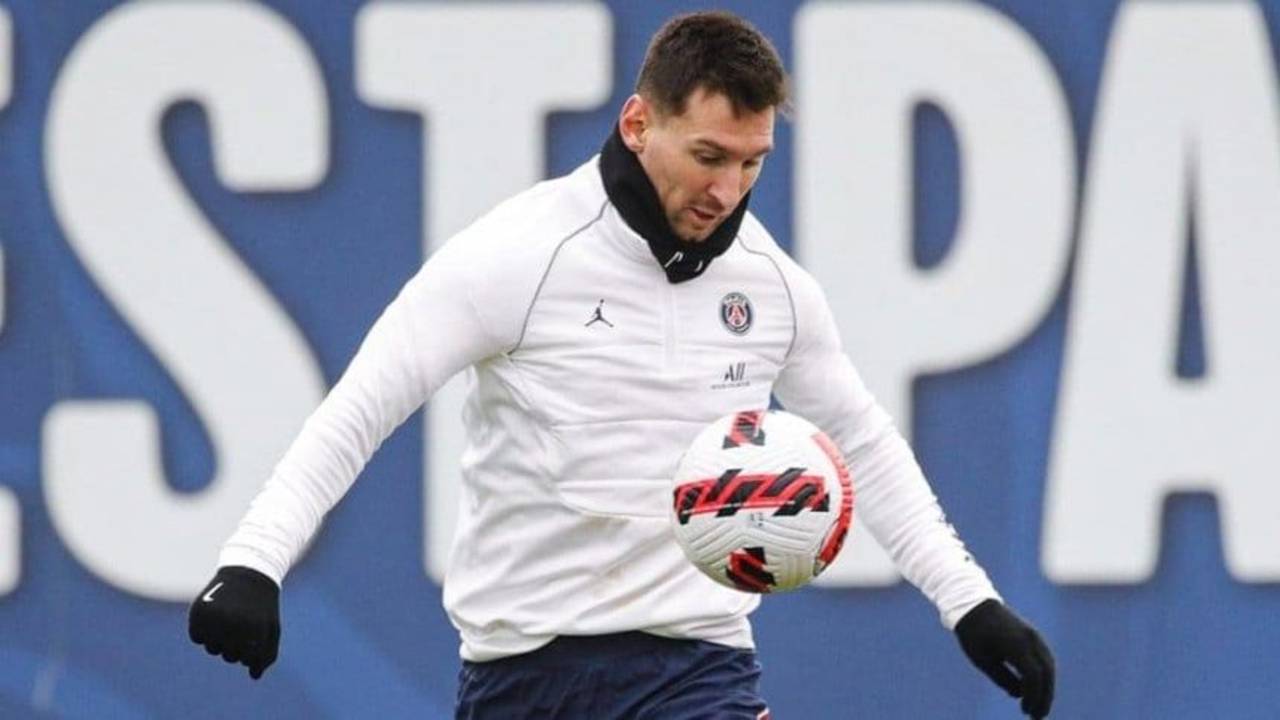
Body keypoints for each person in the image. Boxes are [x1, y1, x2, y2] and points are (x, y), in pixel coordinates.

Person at [188, 11, 1055, 719]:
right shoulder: (516, 258)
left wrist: (969, 603)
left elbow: (862, 441)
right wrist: (254, 561)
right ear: (637, 125)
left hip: (702, 668)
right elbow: (359, 408)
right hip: (523, 676)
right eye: (708, 156)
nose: (727, 192)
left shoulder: (775, 287)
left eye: (751, 163)